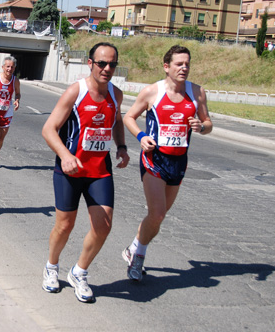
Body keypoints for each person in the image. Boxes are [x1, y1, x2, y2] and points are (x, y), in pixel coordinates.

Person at [41, 42, 130, 303]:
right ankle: (51, 266)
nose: (107, 68)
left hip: (99, 171)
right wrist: (66, 156)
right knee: (64, 225)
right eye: (102, 63)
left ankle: (79, 272)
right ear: (90, 64)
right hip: (70, 170)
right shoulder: (75, 92)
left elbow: (117, 121)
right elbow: (48, 129)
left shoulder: (117, 94)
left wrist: (122, 146)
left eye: (112, 64)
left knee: (103, 226)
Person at [121, 45, 212, 283]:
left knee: (158, 217)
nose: (184, 68)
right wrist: (142, 137)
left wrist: (200, 127)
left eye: (187, 64)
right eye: (179, 64)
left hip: (179, 162)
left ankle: (133, 247)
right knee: (158, 213)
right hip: (154, 160)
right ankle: (138, 256)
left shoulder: (197, 92)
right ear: (166, 66)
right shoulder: (152, 92)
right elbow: (129, 117)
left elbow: (208, 123)